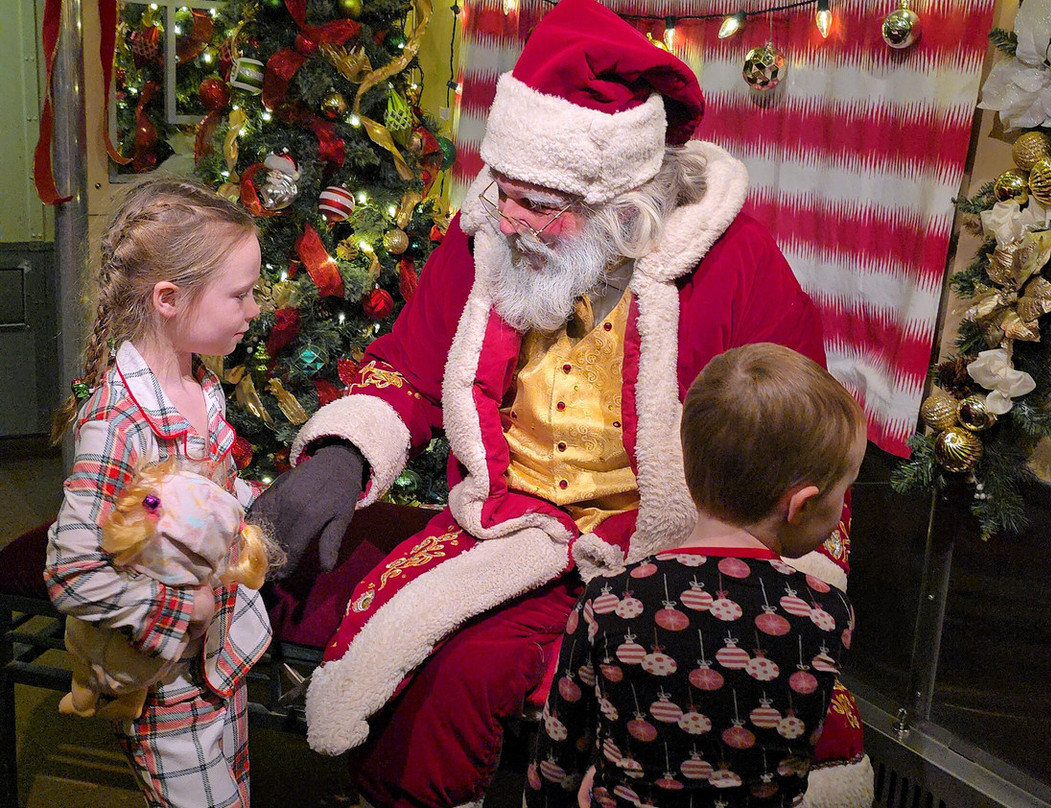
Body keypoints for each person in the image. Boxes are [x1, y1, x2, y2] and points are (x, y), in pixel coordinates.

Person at [253, 0, 871, 804]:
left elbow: (794, 438)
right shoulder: (490, 234)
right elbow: (407, 365)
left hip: (672, 541)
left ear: (627, 198)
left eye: (541, 204)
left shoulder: (734, 262)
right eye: (505, 190)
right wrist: (340, 459)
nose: (511, 220)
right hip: (513, 524)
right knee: (435, 687)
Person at [525, 342, 866, 808]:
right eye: (843, 492)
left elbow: (554, 767)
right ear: (801, 505)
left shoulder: (608, 600)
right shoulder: (828, 614)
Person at [45, 178, 274, 808]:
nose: (255, 309)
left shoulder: (204, 389)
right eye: (240, 294)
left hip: (222, 668)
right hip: (165, 687)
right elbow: (71, 571)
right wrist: (180, 614)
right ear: (169, 298)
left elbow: (207, 499)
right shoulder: (118, 423)